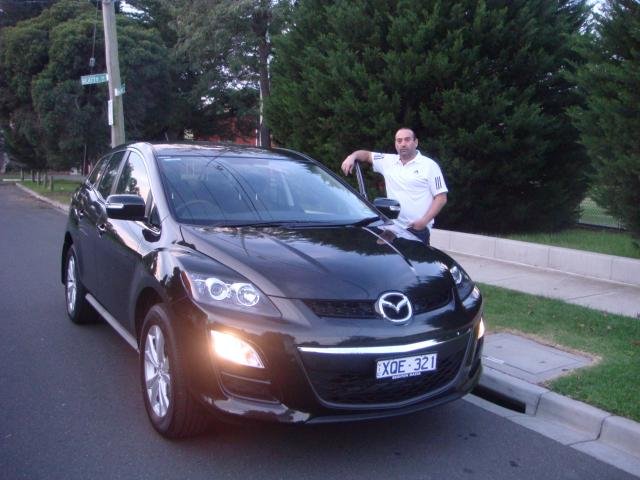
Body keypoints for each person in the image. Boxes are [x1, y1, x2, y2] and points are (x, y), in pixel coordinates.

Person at [341, 127, 447, 245]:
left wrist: (423, 222)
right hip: (392, 229)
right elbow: (366, 155)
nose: (403, 144)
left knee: (414, 257)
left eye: (407, 140)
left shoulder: (430, 166)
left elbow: (441, 198)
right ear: (396, 144)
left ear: (416, 142)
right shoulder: (387, 161)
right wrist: (352, 157)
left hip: (416, 230)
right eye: (399, 140)